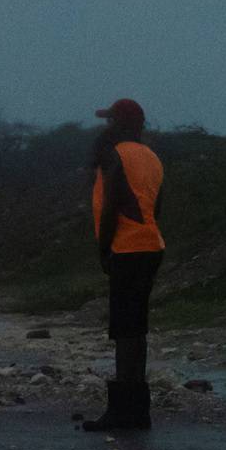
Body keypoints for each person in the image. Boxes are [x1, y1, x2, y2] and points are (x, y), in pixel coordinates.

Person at [82, 98, 164, 432]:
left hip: (126, 249)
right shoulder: (152, 158)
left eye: (110, 120)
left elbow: (111, 207)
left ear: (119, 124)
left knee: (124, 331)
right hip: (151, 246)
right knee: (136, 329)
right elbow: (156, 208)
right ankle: (138, 411)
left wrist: (104, 250)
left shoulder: (114, 155)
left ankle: (122, 412)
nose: (105, 127)